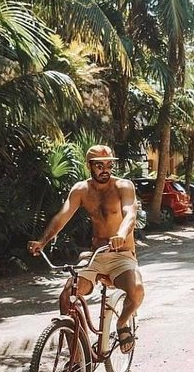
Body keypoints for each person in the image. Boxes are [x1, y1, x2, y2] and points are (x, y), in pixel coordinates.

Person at [28, 145, 144, 353]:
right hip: (96, 256)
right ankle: (77, 356)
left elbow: (130, 214)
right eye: (99, 165)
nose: (105, 169)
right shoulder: (81, 190)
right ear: (89, 166)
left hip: (121, 255)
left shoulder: (123, 186)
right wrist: (42, 241)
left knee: (136, 291)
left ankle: (122, 323)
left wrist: (121, 234)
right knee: (67, 296)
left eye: (109, 164)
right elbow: (62, 216)